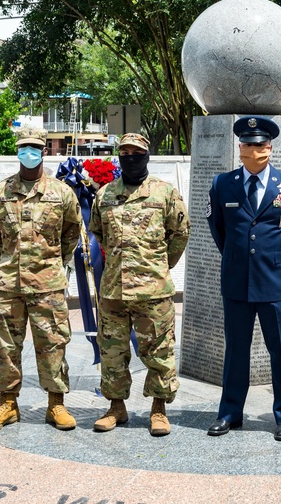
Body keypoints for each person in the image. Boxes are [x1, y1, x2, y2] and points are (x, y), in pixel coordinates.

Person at [206, 116, 281, 441]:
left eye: (261, 145)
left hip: (275, 282)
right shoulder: (222, 184)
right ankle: (229, 413)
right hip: (237, 281)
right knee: (235, 350)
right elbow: (218, 229)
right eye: (249, 145)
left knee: (280, 350)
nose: (255, 150)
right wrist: (237, 258)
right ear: (240, 148)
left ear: (270, 147)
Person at [0, 127, 83, 432]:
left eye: (35, 147)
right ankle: (8, 404)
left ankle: (56, 404)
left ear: (44, 151)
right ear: (17, 150)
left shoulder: (62, 193)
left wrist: (51, 264)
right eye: (24, 147)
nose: (29, 152)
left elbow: (71, 234)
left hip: (48, 285)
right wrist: (11, 259)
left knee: (52, 344)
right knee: (6, 346)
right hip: (9, 283)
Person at [89, 133, 190, 436]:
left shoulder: (165, 193)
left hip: (153, 291)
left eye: (137, 152)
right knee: (112, 351)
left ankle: (158, 409)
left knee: (159, 350)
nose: (130, 157)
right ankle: (115, 407)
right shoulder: (104, 195)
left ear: (146, 155)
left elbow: (181, 233)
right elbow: (98, 233)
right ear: (119, 156)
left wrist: (159, 266)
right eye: (125, 152)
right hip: (113, 290)